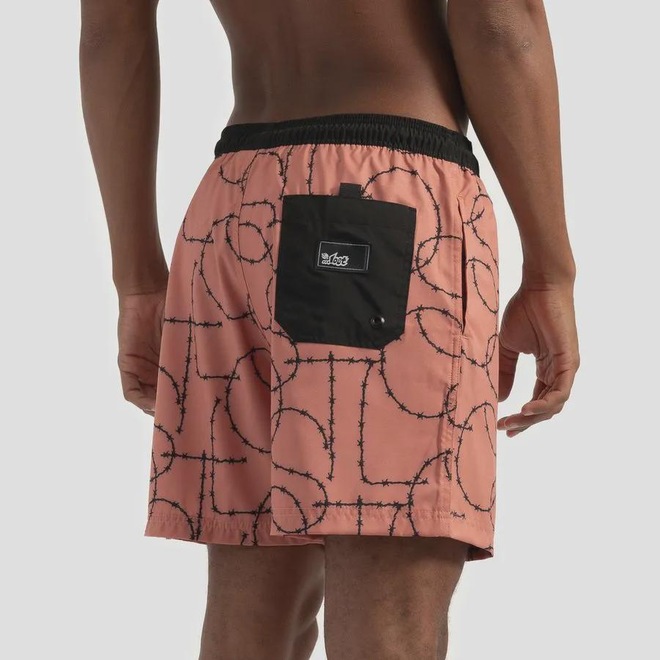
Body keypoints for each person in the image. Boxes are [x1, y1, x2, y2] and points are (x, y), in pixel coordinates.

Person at [79, 0, 580, 657]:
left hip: (234, 204)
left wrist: (139, 281)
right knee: (389, 616)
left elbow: (109, 35)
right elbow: (498, 23)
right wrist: (550, 272)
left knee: (253, 618)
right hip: (386, 202)